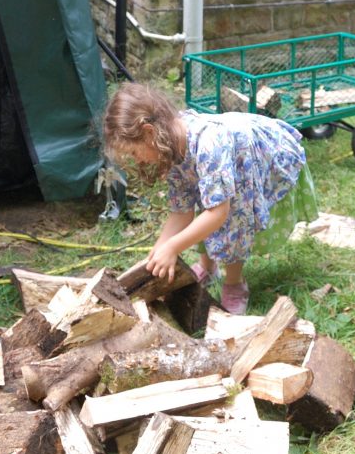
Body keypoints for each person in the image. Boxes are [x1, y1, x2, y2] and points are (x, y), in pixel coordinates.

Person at [103, 83, 317, 314]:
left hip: (260, 154)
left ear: (148, 132)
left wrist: (173, 247)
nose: (138, 160)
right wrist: (160, 249)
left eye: (135, 152)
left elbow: (218, 213)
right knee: (205, 206)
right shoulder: (169, 144)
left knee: (232, 218)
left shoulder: (209, 145)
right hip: (226, 163)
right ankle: (208, 267)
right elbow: (181, 211)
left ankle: (234, 284)